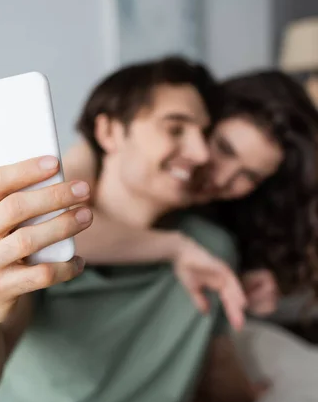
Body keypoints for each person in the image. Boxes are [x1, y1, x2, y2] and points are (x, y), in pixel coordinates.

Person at [0, 58, 318, 402]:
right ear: (109, 133)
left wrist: (243, 359)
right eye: (177, 129)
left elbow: (219, 372)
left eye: (249, 176)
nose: (204, 159)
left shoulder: (213, 247)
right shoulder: (47, 232)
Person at [64, 68, 318, 316]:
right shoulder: (101, 157)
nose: (222, 178)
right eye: (224, 148)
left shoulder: (226, 227)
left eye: (249, 176)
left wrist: (260, 286)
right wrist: (175, 248)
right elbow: (57, 227)